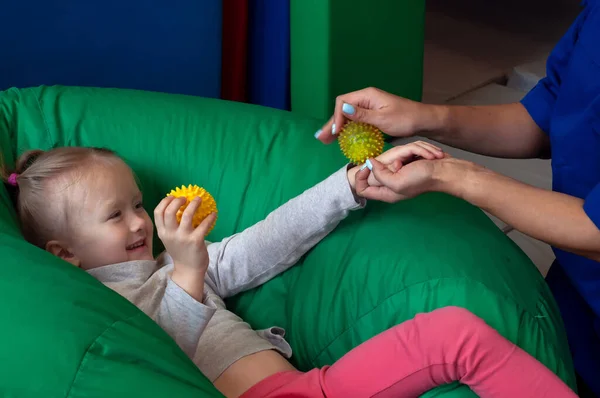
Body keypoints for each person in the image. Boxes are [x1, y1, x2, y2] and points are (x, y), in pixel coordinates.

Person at [1, 146, 577, 398]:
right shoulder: (98, 313)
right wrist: (186, 267)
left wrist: (347, 187)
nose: (138, 222)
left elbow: (269, 240)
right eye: (113, 215)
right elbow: (162, 349)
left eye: (136, 203)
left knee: (456, 331)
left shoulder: (177, 261)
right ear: (63, 254)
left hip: (310, 386)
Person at [315, 2, 600, 395]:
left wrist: (452, 175)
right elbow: (543, 119)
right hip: (577, 297)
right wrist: (423, 117)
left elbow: (595, 230)